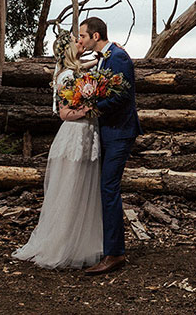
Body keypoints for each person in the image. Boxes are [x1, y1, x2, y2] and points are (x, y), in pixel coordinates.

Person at [11, 25, 104, 269]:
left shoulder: (72, 70)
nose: (79, 43)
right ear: (68, 49)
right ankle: (64, 245)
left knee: (83, 187)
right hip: (75, 133)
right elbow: (64, 113)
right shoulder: (66, 76)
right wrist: (87, 109)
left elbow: (82, 69)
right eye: (76, 41)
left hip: (87, 133)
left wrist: (96, 62)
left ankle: (83, 241)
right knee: (71, 188)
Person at [78, 16, 141, 275]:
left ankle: (115, 254)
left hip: (120, 132)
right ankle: (110, 247)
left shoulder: (118, 57)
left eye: (83, 35)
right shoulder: (104, 58)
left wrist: (91, 109)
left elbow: (122, 96)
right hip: (108, 132)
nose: (80, 39)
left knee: (109, 188)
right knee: (106, 188)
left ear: (96, 36)